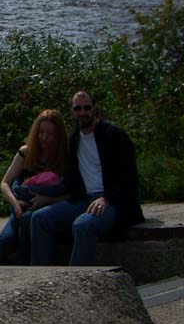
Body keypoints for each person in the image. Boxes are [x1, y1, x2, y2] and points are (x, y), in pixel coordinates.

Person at [30, 91, 144, 266]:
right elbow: (69, 182)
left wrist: (106, 198)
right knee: (39, 219)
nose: (82, 112)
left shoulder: (114, 135)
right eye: (77, 108)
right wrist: (46, 197)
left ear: (94, 108)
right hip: (83, 200)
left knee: (83, 225)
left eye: (86, 108)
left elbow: (128, 177)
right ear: (72, 111)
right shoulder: (74, 141)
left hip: (112, 202)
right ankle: (44, 279)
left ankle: (76, 284)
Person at [0, 109, 70, 265]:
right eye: (41, 132)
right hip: (21, 206)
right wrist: (15, 202)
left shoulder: (64, 157)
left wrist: (48, 199)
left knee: (29, 223)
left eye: (50, 134)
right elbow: (5, 183)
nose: (44, 138)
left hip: (46, 207)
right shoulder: (26, 152)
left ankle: (25, 262)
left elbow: (72, 192)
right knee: (5, 241)